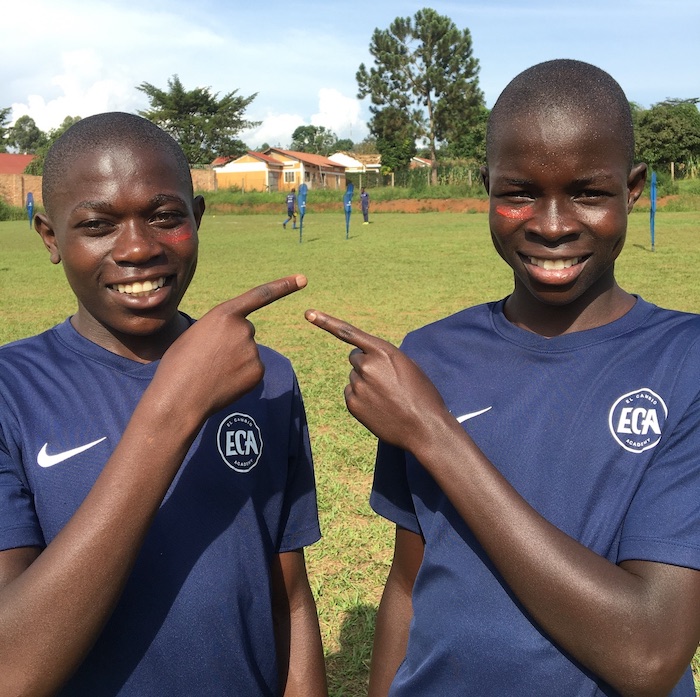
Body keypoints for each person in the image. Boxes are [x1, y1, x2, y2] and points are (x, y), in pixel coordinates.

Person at [306, 59, 700, 696]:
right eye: (519, 193)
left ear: (632, 189)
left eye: (588, 192)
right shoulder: (431, 357)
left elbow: (650, 651)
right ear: (487, 186)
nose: (551, 224)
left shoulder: (686, 360)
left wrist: (433, 432)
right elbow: (409, 579)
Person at [0, 113, 327, 696]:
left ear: (197, 219)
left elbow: (290, 599)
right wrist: (173, 410)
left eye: (165, 218)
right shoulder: (11, 391)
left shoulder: (268, 377)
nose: (137, 249)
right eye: (98, 224)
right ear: (50, 236)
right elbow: (12, 668)